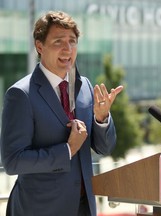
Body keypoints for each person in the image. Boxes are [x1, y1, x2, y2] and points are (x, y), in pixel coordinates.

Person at [0, 11, 123, 216]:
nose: (68, 49)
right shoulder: (21, 95)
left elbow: (105, 148)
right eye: (58, 41)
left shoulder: (85, 87)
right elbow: (12, 161)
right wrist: (67, 150)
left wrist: (101, 120)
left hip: (84, 208)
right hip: (40, 209)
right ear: (39, 46)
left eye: (72, 41)